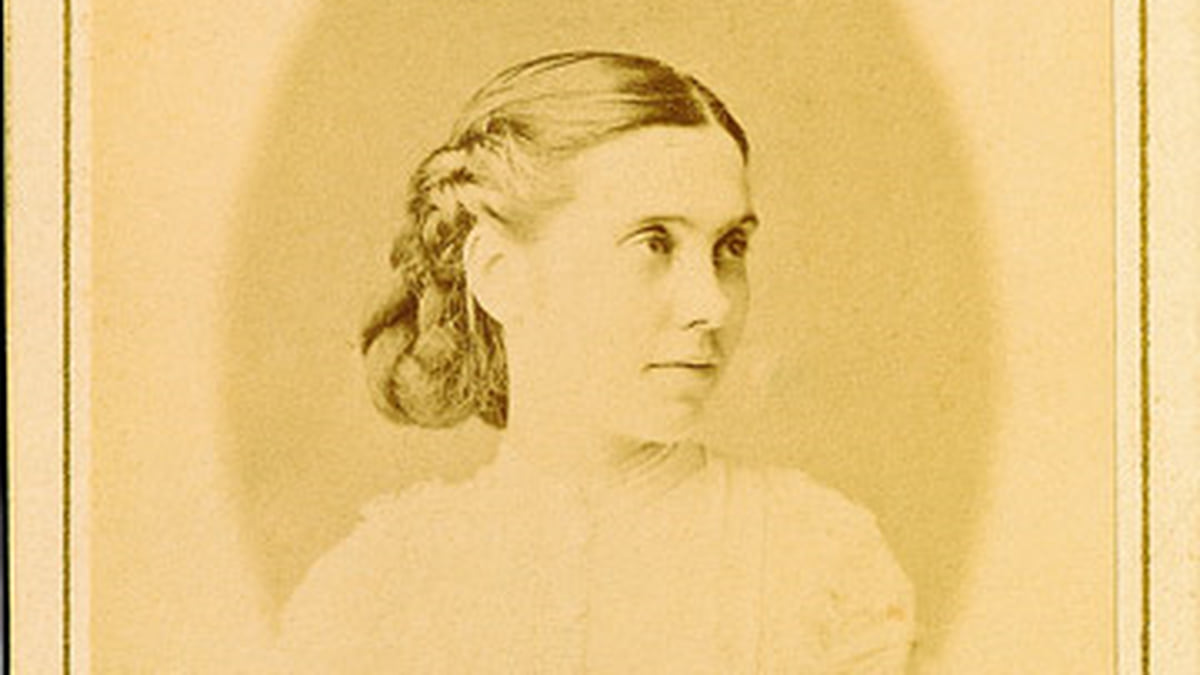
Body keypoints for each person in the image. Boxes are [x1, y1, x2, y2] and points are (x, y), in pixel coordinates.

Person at [276, 51, 914, 673]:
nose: (712, 304)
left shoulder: (823, 563)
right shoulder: (374, 589)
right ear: (499, 275)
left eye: (730, 246)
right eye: (654, 242)